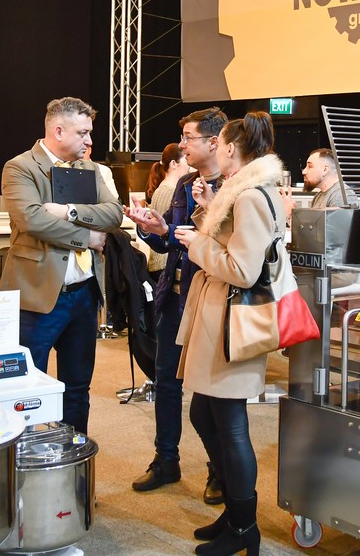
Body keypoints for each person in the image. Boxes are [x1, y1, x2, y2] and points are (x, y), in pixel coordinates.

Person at [173, 111, 285, 556]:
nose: (213, 150)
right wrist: (208, 212)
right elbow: (234, 241)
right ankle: (236, 516)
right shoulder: (242, 191)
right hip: (219, 320)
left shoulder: (251, 196)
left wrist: (196, 244)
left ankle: (243, 526)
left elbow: (243, 269)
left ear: (232, 149)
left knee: (229, 423)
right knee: (205, 414)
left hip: (231, 324)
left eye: (218, 143)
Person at [1, 97, 123, 434]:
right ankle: (23, 455)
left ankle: (74, 451)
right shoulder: (20, 167)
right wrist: (87, 237)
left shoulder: (89, 169)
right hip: (36, 296)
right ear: (58, 131)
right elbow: (32, 220)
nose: (89, 141)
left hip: (84, 295)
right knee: (25, 387)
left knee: (78, 387)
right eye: (83, 133)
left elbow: (114, 213)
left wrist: (69, 211)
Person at [124, 107, 228, 502]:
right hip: (174, 296)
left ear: (213, 142)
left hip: (210, 300)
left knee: (210, 392)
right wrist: (153, 227)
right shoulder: (185, 183)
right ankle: (166, 459)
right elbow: (169, 237)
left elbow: (232, 248)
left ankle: (219, 469)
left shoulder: (235, 186)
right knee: (166, 381)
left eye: (188, 137)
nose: (182, 145)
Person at [144, 142, 188, 275]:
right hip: (163, 263)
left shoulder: (163, 188)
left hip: (158, 262)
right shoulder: (170, 191)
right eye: (185, 159)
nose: (189, 165)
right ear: (174, 163)